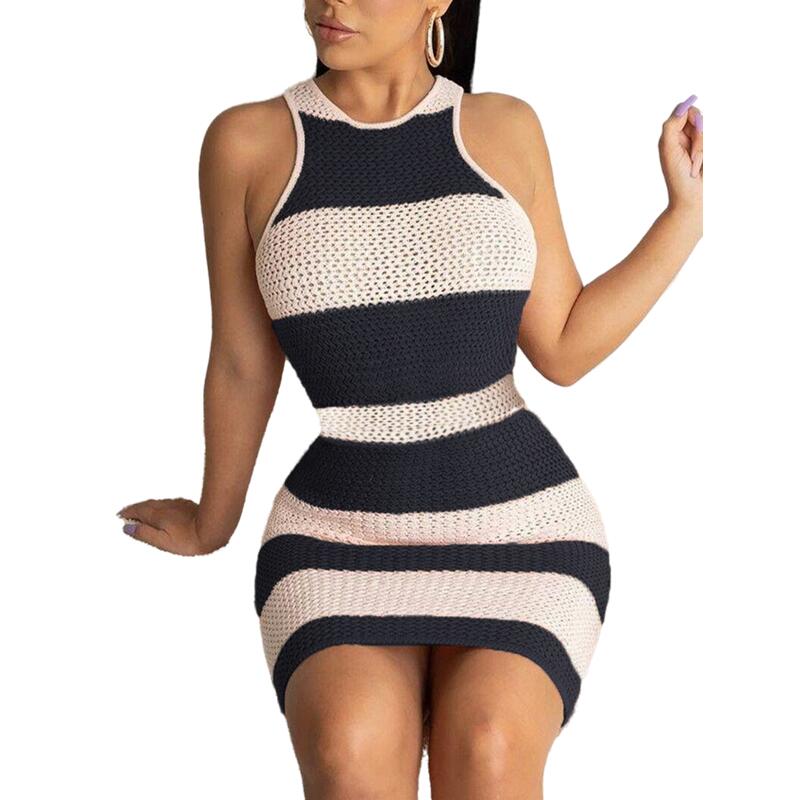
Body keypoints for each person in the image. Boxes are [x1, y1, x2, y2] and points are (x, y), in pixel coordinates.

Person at [117, 2, 703, 797]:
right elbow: (243, 363)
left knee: (489, 748)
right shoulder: (247, 143)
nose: (330, 3)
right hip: (338, 534)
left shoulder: (502, 129)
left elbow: (563, 345)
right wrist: (210, 522)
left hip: (523, 530)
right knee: (347, 749)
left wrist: (683, 219)